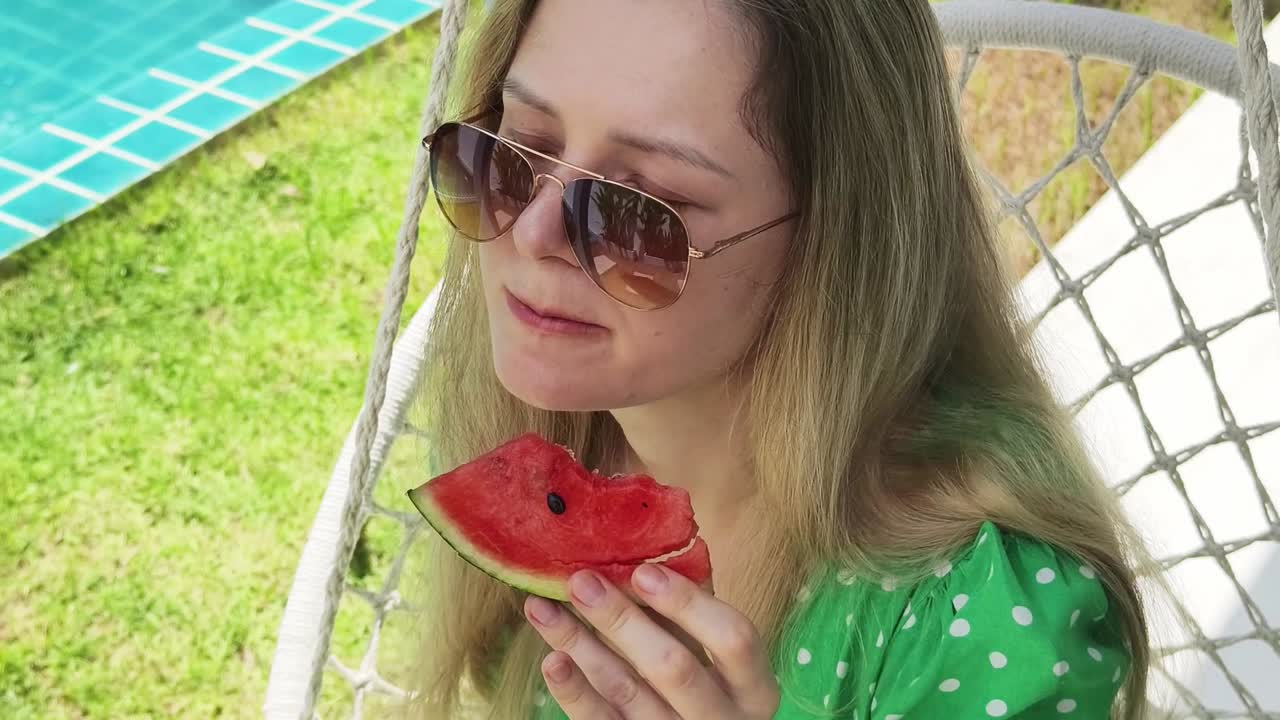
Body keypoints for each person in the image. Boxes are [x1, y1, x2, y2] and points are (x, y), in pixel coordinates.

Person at [404, 0, 1157, 717]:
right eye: (515, 148)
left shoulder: (990, 623)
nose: (532, 234)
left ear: (834, 245)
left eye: (639, 211)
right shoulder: (531, 444)